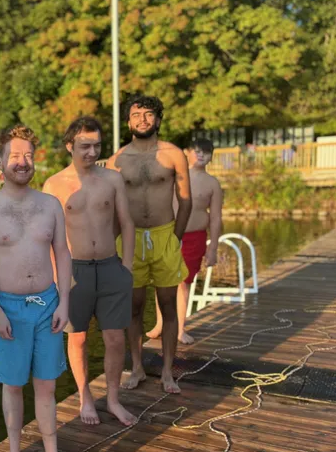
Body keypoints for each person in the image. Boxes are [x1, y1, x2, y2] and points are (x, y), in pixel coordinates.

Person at [0, 123, 84, 452]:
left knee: (47, 386)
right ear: (0, 161)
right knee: (13, 386)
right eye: (15, 156)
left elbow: (62, 254)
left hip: (48, 304)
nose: (23, 162)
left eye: (29, 156)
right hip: (8, 309)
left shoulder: (50, 205)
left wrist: (64, 302)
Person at [42, 116, 137, 426]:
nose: (92, 152)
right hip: (74, 270)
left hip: (110, 266)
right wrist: (56, 279)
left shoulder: (112, 179)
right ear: (70, 145)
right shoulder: (54, 184)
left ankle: (112, 399)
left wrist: (126, 268)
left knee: (115, 338)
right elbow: (49, 237)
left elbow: (127, 223)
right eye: (85, 146)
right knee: (78, 338)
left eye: (97, 145)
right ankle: (85, 397)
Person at [106, 94, 192, 394]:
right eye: (136, 114)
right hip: (130, 239)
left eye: (148, 114)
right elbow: (112, 207)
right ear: (128, 121)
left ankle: (167, 371)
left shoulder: (173, 154)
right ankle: (138, 368)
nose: (142, 119)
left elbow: (185, 200)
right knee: (133, 307)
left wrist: (175, 238)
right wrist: (114, 244)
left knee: (168, 305)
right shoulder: (117, 160)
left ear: (158, 118)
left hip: (164, 234)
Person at [147, 138, 223, 344]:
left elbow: (216, 217)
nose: (201, 155)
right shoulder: (174, 176)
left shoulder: (212, 184)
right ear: (187, 152)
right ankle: (160, 324)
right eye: (197, 151)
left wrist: (213, 248)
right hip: (168, 234)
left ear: (211, 157)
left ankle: (180, 329)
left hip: (194, 237)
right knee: (162, 281)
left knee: (183, 283)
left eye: (206, 152)